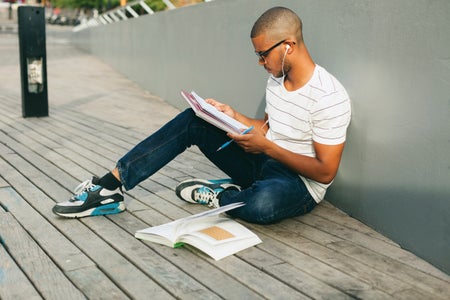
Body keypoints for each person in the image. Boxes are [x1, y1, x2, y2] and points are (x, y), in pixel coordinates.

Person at [53, 6, 351, 224]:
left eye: (263, 54)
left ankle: (221, 196)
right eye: (257, 55)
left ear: (288, 46)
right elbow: (270, 126)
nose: (260, 62)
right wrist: (232, 115)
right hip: (262, 161)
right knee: (194, 119)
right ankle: (109, 187)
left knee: (263, 205)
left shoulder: (328, 95)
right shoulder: (277, 79)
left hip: (297, 185)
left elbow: (325, 172)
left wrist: (267, 147)